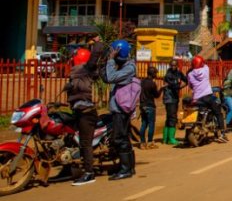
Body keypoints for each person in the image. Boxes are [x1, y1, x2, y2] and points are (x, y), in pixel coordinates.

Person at [64, 48, 98, 186]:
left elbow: (96, 54)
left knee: (85, 143)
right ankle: (67, 169)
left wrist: (96, 42)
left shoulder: (84, 71)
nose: (70, 60)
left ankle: (89, 173)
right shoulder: (76, 74)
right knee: (69, 139)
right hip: (78, 111)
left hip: (86, 112)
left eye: (73, 58)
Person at [105, 40, 138, 180]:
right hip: (119, 109)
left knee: (120, 138)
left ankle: (125, 169)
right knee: (124, 137)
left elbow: (110, 77)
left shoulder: (129, 68)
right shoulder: (124, 66)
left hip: (121, 110)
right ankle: (129, 167)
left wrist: (110, 60)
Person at [188, 55, 227, 143]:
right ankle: (222, 134)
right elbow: (205, 64)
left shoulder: (190, 74)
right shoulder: (206, 69)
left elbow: (190, 86)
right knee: (218, 113)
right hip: (207, 96)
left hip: (197, 98)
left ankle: (188, 134)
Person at [161, 58, 185, 145]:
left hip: (175, 98)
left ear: (177, 66)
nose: (173, 67)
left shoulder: (178, 73)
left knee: (170, 117)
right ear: (170, 65)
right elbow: (174, 86)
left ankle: (166, 138)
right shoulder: (168, 75)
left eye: (174, 65)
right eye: (172, 65)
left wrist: (184, 84)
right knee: (172, 117)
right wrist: (180, 86)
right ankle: (170, 138)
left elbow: (185, 79)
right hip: (169, 98)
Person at [138, 66, 161, 149]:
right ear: (152, 74)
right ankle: (150, 142)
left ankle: (142, 143)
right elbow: (156, 95)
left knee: (144, 124)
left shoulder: (142, 82)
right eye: (155, 73)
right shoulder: (152, 83)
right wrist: (161, 89)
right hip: (150, 106)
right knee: (151, 124)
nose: (156, 75)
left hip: (142, 105)